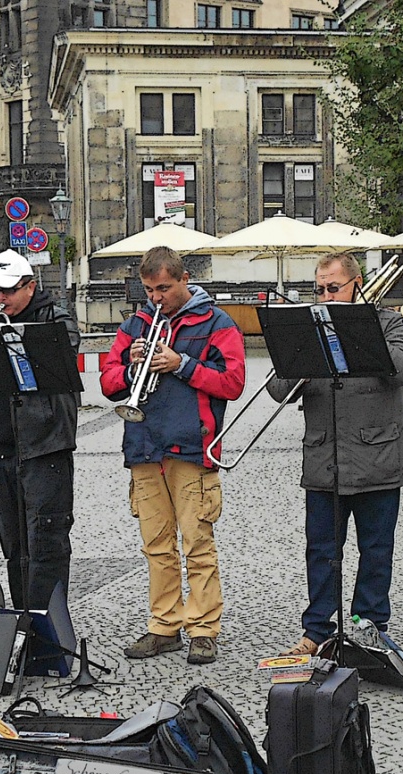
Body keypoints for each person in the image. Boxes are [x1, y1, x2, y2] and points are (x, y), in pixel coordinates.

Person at [100, 246, 246, 665]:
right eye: (149, 290)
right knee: (156, 545)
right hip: (145, 447)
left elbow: (233, 382)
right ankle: (164, 626)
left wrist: (182, 364)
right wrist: (130, 369)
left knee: (197, 542)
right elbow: (109, 381)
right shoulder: (136, 324)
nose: (156, 298)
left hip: (192, 446)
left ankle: (202, 628)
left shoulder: (216, 323)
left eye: (164, 288)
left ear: (184, 279)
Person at [268, 252, 403, 656]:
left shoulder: (389, 323)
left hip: (377, 461)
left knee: (375, 550)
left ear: (356, 284)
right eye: (319, 289)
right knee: (321, 552)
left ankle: (368, 628)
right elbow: (278, 390)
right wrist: (303, 346)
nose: (326, 295)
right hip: (324, 461)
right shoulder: (309, 329)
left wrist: (354, 335)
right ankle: (316, 629)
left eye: (333, 288)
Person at [0, 250, 80, 612]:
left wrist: (11, 340)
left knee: (46, 540)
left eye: (6, 291)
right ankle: (21, 621)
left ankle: (49, 632)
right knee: (13, 544)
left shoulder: (57, 319)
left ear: (31, 286)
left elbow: (65, 352)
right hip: (1, 449)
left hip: (44, 447)